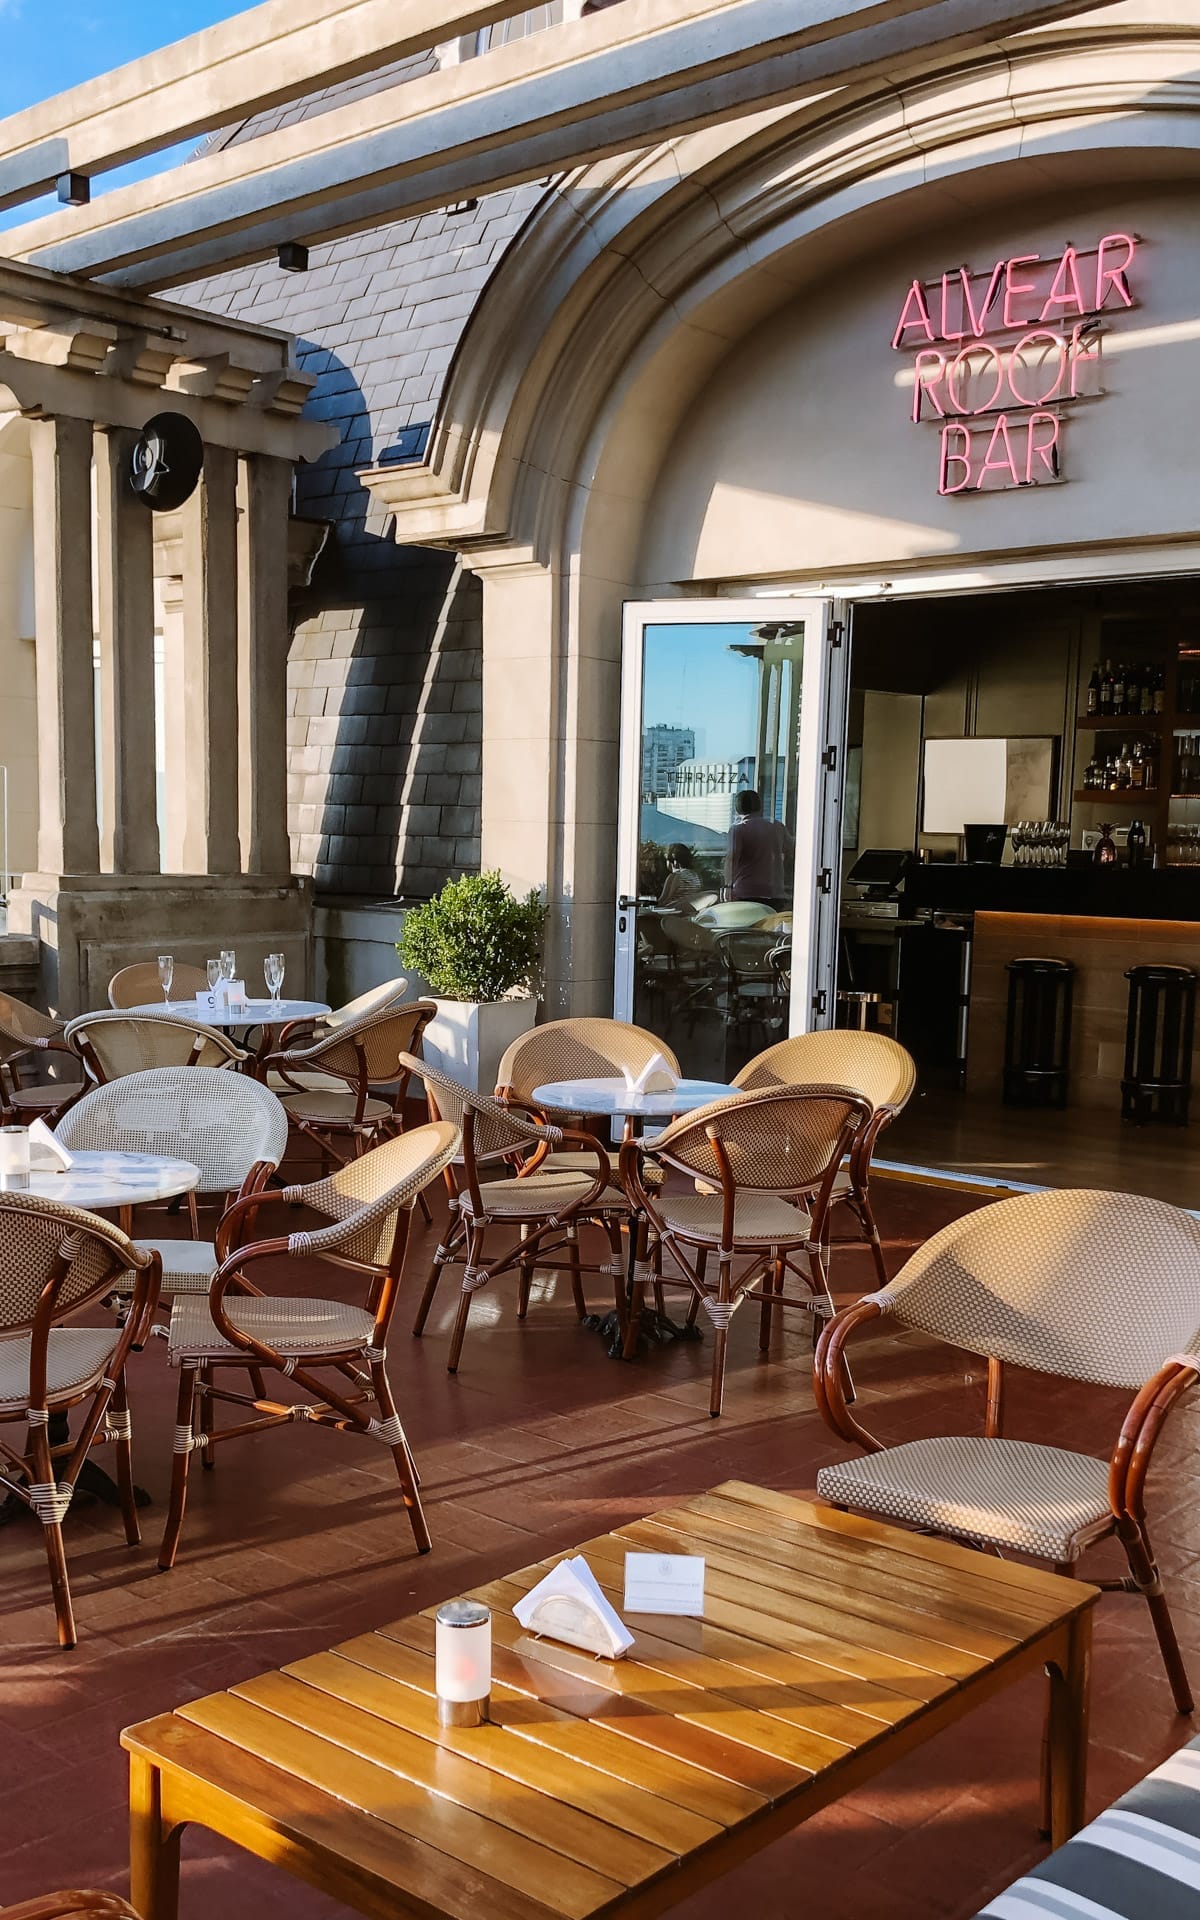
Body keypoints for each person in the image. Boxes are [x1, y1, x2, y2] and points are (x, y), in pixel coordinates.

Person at [725, 789, 793, 909]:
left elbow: (732, 858)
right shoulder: (777, 827)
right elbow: (791, 852)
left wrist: (728, 886)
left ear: (737, 809)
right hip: (774, 892)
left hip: (746, 892)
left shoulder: (738, 830)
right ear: (760, 807)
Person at [658, 843, 704, 907]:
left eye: (666, 860)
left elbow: (663, 900)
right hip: (690, 909)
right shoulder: (696, 875)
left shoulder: (675, 876)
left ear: (674, 860)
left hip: (674, 910)